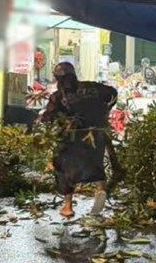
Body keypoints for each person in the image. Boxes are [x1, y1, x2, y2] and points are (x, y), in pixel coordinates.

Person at [42, 62, 118, 218]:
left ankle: (67, 205)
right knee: (96, 164)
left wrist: (41, 121)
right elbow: (113, 93)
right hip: (95, 135)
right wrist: (106, 110)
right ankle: (100, 189)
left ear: (58, 78)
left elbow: (49, 117)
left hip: (71, 139)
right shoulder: (93, 88)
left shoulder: (58, 97)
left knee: (63, 168)